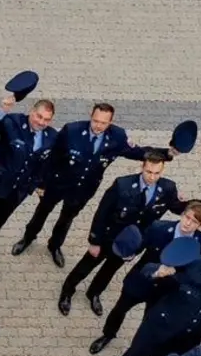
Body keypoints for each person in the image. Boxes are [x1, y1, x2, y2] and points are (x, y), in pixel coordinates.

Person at [11, 104, 152, 268]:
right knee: (42, 212)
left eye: (103, 123)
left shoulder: (118, 136)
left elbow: (137, 153)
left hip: (83, 189)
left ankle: (55, 245)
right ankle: (28, 238)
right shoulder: (72, 130)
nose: (98, 126)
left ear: (111, 122)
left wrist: (168, 153)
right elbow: (52, 157)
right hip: (58, 183)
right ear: (90, 116)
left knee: (66, 219)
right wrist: (41, 183)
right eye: (95, 121)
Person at [57, 149, 188, 315]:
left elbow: (178, 208)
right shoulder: (122, 185)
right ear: (142, 167)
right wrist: (94, 241)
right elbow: (102, 213)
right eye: (149, 172)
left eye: (157, 173)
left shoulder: (167, 188)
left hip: (130, 243)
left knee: (109, 270)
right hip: (108, 237)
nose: (152, 177)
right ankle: (67, 291)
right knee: (86, 266)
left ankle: (94, 293)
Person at [89, 201, 201, 354]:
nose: (188, 223)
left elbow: (191, 264)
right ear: (182, 214)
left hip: (165, 288)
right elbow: (140, 247)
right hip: (142, 279)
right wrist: (129, 254)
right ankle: (108, 334)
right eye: (187, 217)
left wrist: (176, 273)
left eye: (194, 222)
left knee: (149, 321)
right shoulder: (159, 227)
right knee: (120, 309)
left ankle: (137, 349)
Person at [0, 95, 56, 269]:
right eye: (39, 116)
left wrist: (36, 185)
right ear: (31, 111)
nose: (41, 122)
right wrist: (3, 110)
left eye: (47, 119)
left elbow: (47, 163)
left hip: (16, 192)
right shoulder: (14, 121)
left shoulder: (52, 136)